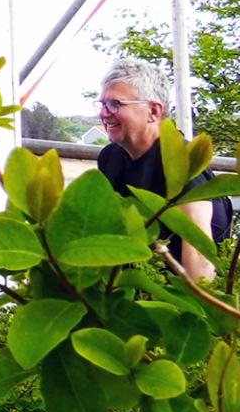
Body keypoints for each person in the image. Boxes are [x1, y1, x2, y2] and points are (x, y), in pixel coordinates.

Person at [92, 58, 220, 281]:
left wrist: (198, 308)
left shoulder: (182, 161)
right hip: (137, 285)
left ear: (153, 111)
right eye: (102, 105)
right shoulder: (110, 158)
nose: (104, 114)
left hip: (176, 292)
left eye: (115, 104)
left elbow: (200, 262)